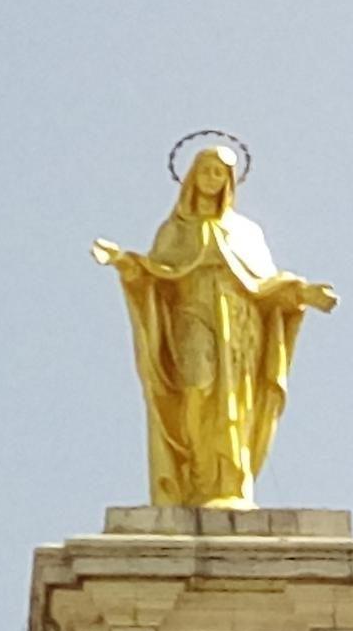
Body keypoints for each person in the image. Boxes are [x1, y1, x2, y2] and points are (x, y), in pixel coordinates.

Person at [94, 146, 337, 508]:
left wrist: (303, 293)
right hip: (192, 315)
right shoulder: (174, 231)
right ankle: (198, 474)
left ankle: (229, 482)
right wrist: (124, 263)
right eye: (206, 170)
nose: (212, 178)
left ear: (229, 182)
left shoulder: (246, 232)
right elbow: (156, 277)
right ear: (193, 176)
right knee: (197, 385)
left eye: (219, 173)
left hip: (240, 324)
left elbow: (266, 286)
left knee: (235, 401)